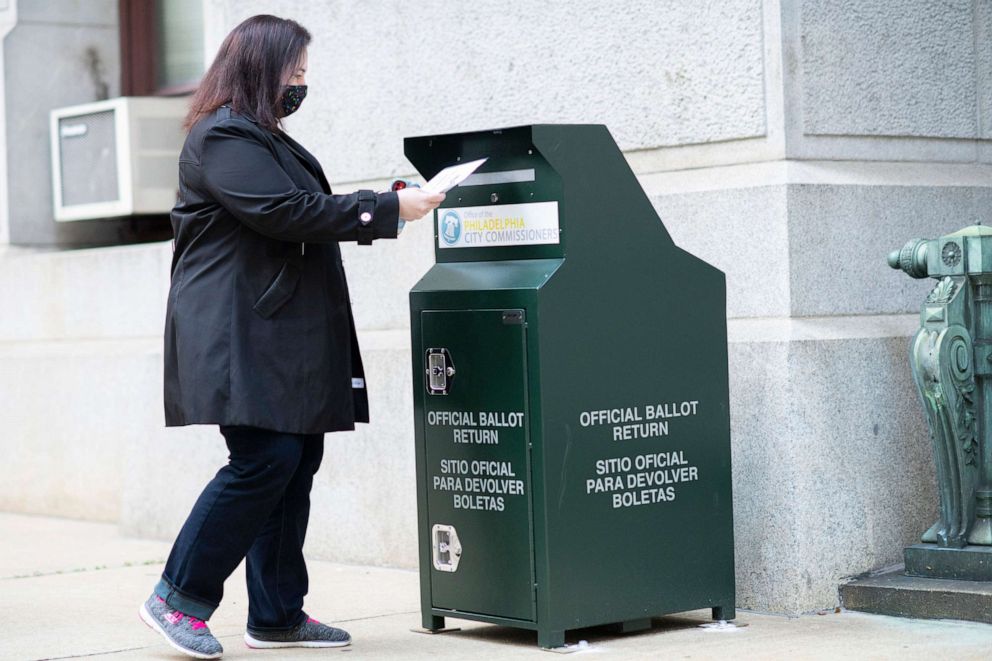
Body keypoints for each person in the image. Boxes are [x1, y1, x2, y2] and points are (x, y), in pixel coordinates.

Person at [137, 15, 444, 659]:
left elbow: (298, 206)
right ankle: (177, 596)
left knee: (294, 460)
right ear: (257, 69)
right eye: (293, 72)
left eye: (303, 73)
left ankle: (277, 615)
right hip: (238, 337)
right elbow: (282, 213)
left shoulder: (260, 139)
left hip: (274, 334)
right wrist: (386, 210)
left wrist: (382, 200)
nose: (300, 83)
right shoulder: (223, 136)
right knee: (264, 460)